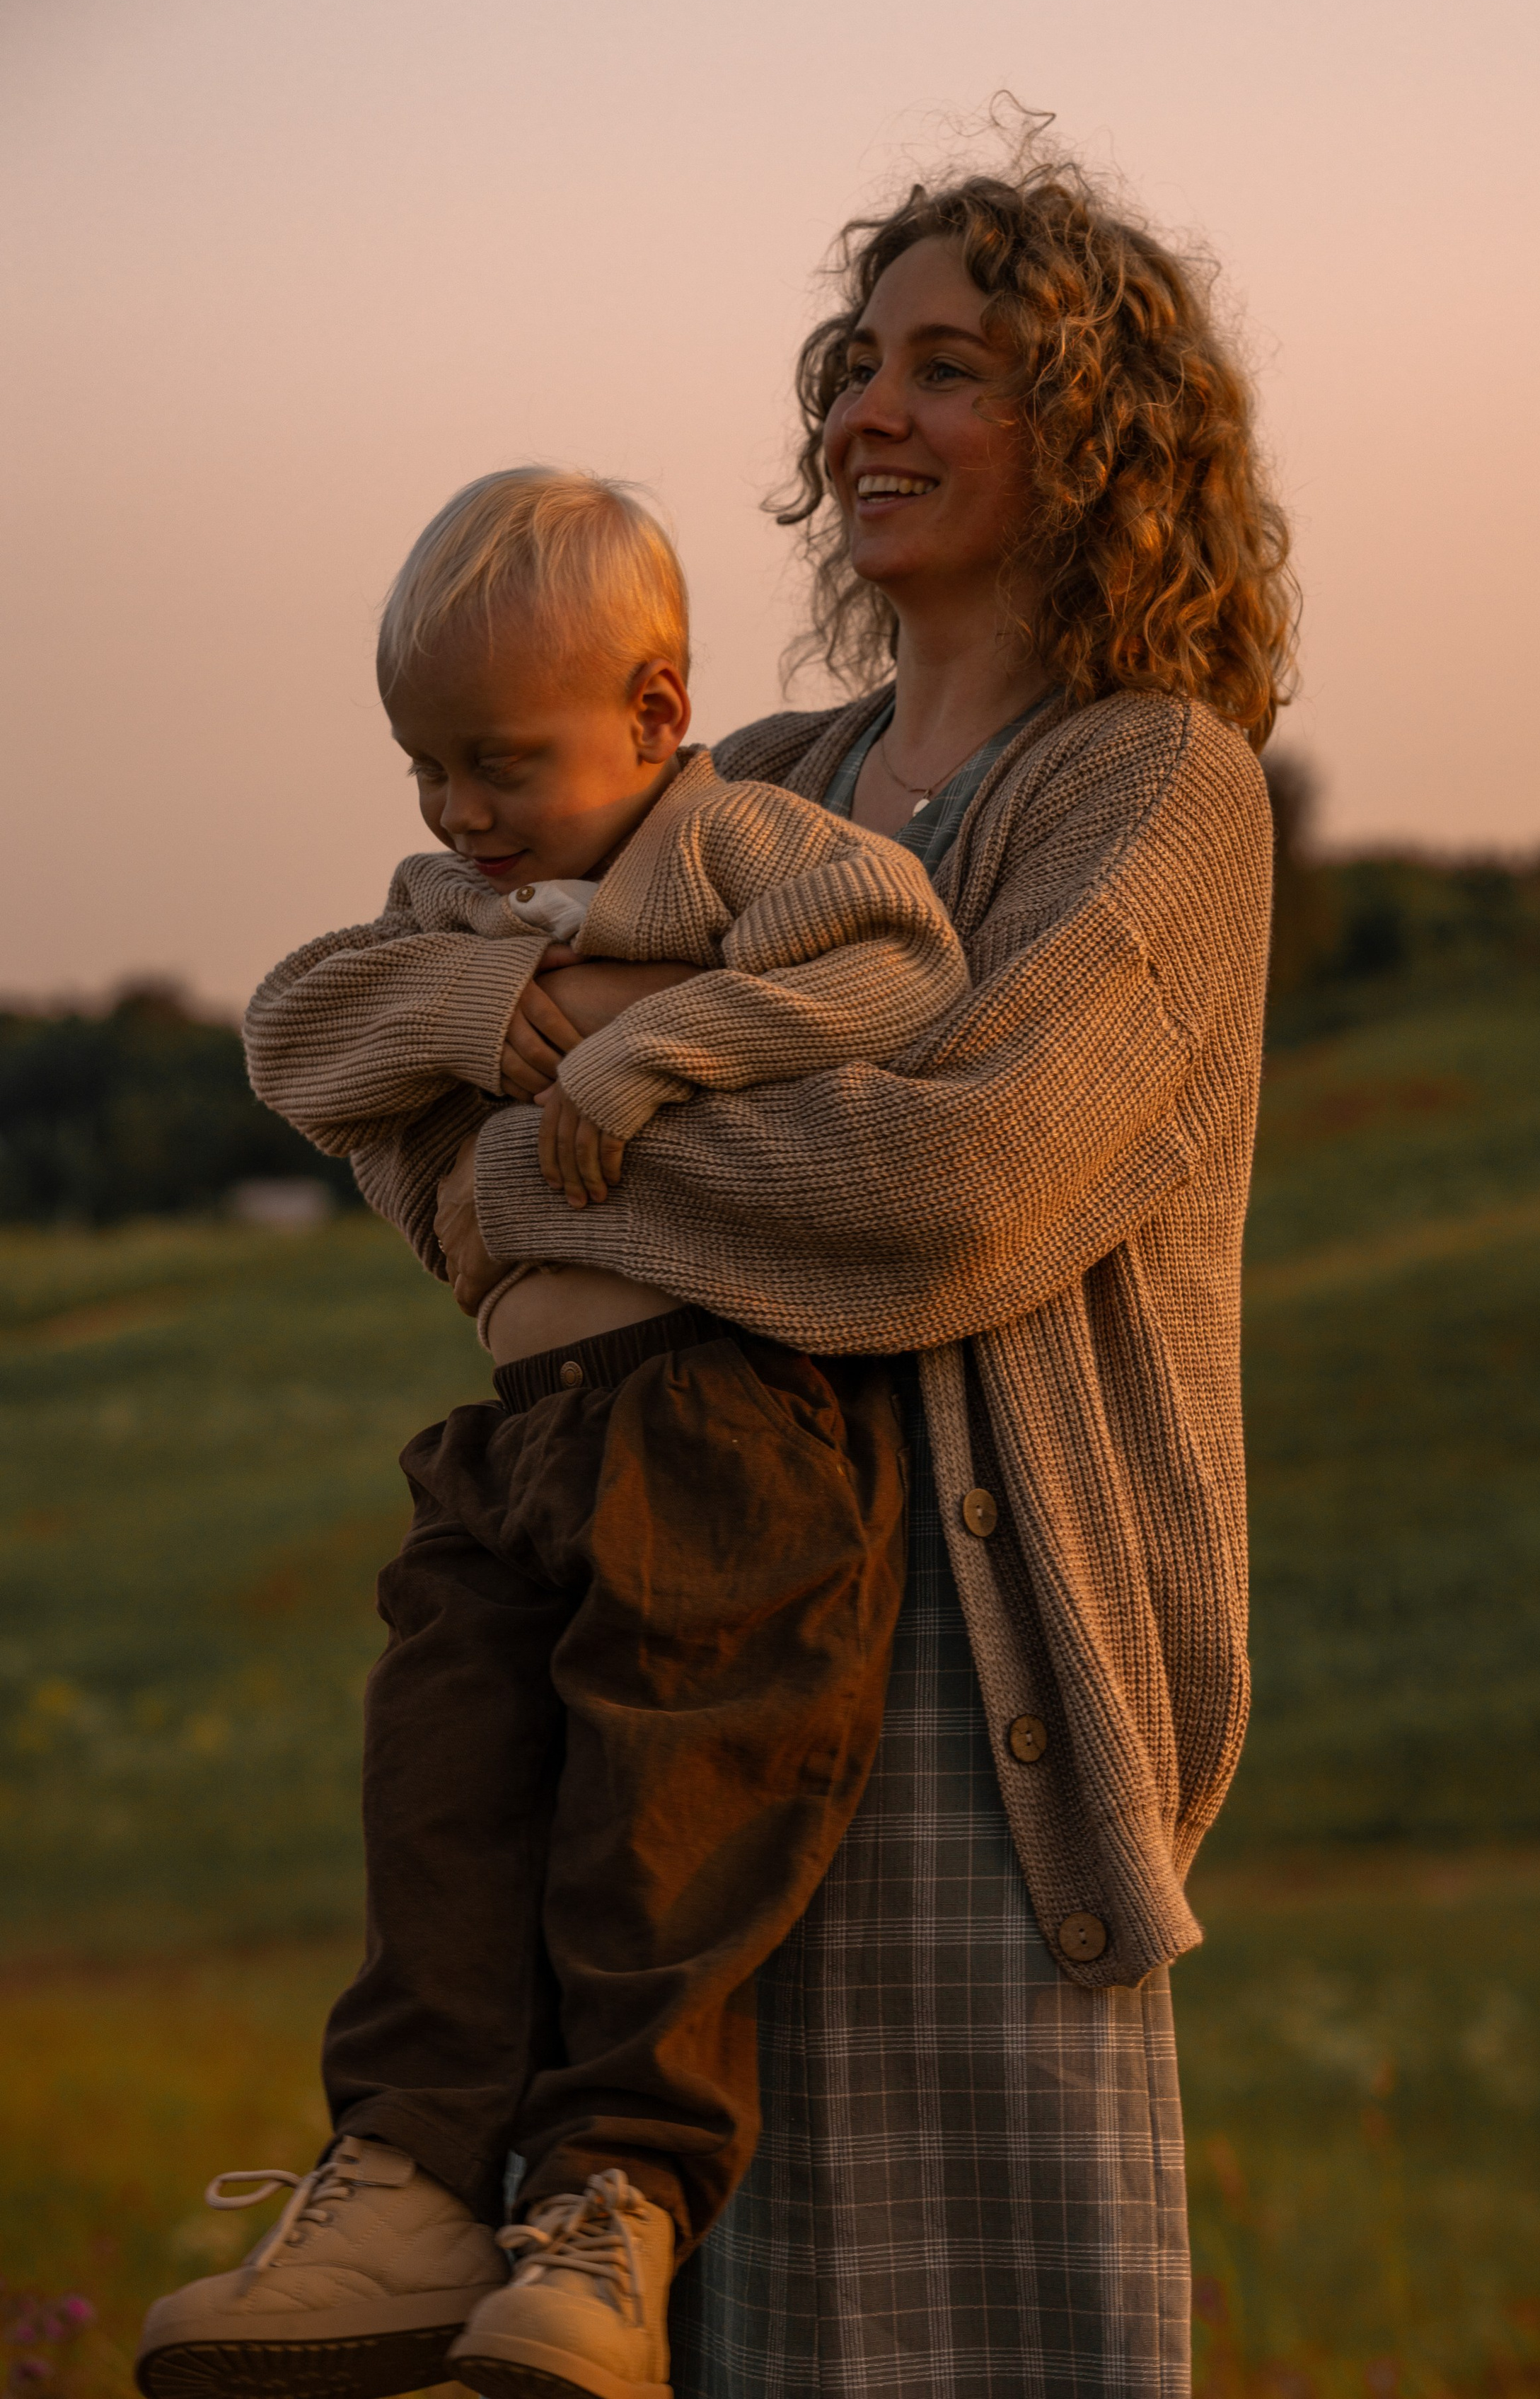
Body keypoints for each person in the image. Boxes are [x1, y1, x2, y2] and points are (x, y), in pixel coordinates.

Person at [427, 149, 1295, 2398]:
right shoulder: (760, 786)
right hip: (679, 1646)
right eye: (858, 366)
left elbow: (957, 1195)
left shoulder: (1158, 795)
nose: (866, 417)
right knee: (672, 2302)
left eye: (953, 369)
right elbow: (421, 1132)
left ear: (1095, 438)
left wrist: (586, 1098)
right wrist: (524, 1090)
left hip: (979, 1691)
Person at [134, 468, 972, 2399]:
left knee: (665, 1814)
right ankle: (412, 2180)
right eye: (426, 768)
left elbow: (903, 968)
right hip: (521, 1435)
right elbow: (293, 1040)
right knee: (440, 1788)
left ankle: (614, 2209)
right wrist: (484, 989)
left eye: (499, 762)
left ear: (660, 714)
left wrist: (649, 1042)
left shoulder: (744, 846)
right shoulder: (449, 916)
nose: (455, 813)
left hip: (721, 1416)